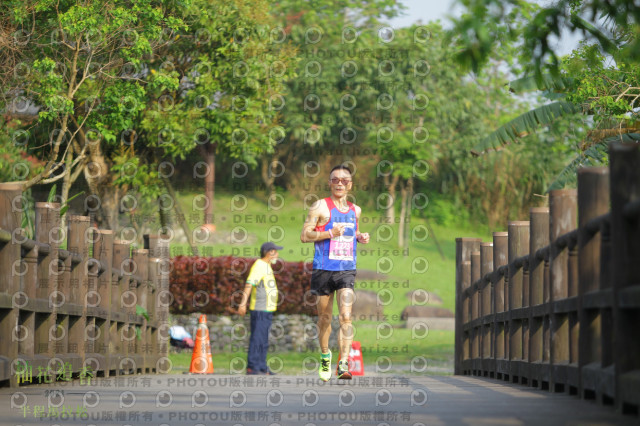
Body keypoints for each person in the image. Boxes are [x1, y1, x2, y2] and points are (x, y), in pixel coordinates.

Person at [300, 165, 370, 381]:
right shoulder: (320, 206)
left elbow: (353, 232)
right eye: (335, 180)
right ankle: (324, 355)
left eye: (344, 180)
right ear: (330, 183)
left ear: (351, 185)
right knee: (325, 319)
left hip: (346, 269)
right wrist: (329, 232)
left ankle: (343, 363)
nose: (340, 183)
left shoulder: (355, 210)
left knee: (346, 317)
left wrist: (360, 237)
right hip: (323, 269)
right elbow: (304, 235)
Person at [236, 242, 283, 375]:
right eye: (276, 251)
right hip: (259, 309)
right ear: (269, 252)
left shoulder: (266, 266)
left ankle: (261, 366)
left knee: (263, 339)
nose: (277, 254)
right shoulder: (259, 265)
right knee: (257, 338)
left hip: (267, 309)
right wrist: (242, 303)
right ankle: (253, 366)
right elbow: (249, 284)